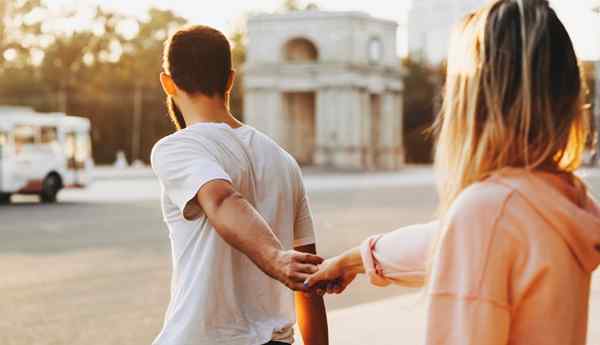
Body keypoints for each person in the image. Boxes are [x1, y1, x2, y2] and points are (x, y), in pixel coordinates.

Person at [306, 1, 600, 344]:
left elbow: (472, 236)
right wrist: (356, 260)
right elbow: (447, 242)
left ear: (473, 95)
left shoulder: (488, 211)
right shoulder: (561, 197)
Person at [150, 25, 328, 345]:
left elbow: (220, 199)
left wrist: (276, 258)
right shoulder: (283, 161)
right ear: (231, 79)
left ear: (167, 82)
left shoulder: (178, 148)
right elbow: (309, 280)